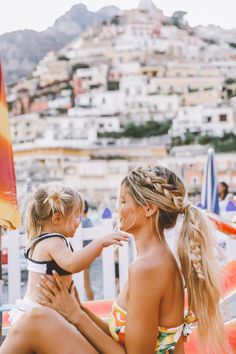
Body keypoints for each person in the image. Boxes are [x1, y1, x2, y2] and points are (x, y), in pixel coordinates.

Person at [1, 166, 230, 354]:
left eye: (123, 202)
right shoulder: (151, 260)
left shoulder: (149, 267)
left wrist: (76, 316)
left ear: (149, 209)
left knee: (34, 321)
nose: (117, 209)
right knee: (36, 320)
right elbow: (120, 336)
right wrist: (78, 308)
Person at [8, 182, 129, 324]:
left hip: (46, 312)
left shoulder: (48, 240)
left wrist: (94, 252)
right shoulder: (52, 241)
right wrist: (99, 242)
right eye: (77, 216)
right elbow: (73, 264)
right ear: (57, 219)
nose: (80, 221)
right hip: (41, 315)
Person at [82, 200, 95, 301]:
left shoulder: (83, 222)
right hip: (87, 256)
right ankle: (91, 301)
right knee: (87, 283)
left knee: (86, 283)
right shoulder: (89, 221)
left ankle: (91, 302)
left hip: (83, 256)